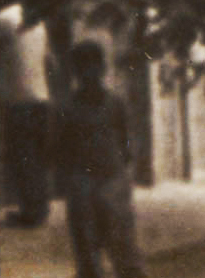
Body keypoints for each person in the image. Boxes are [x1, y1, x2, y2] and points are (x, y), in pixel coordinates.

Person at [58, 40, 144, 278]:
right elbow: (59, 148)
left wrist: (120, 179)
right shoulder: (67, 108)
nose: (88, 74)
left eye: (93, 67)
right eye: (81, 68)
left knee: (124, 249)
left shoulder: (115, 103)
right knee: (87, 253)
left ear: (102, 69)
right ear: (75, 73)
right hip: (82, 185)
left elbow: (127, 143)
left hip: (112, 182)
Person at [0, 4, 53, 228]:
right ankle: (39, 209)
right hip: (40, 96)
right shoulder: (37, 21)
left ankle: (30, 212)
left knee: (22, 156)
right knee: (37, 156)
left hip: (17, 99)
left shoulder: (2, 18)